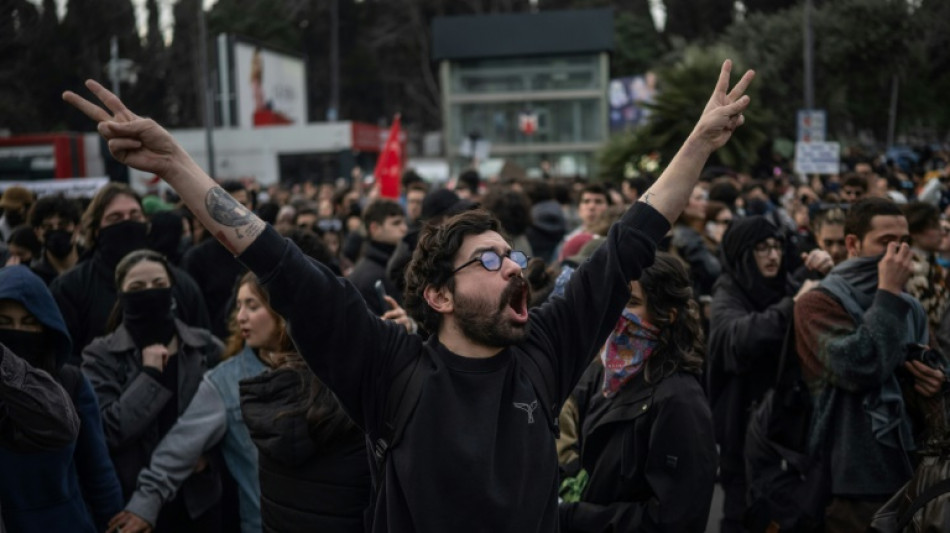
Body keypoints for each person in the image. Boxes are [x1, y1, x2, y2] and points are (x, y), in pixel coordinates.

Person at [64, 58, 754, 532]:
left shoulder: (543, 350)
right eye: (490, 259)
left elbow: (632, 237)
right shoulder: (389, 368)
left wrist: (698, 141)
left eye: (514, 255)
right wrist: (174, 163)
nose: (514, 268)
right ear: (440, 295)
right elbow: (275, 258)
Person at [794, 197, 945, 531]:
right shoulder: (817, 303)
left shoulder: (909, 305)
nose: (898, 253)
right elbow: (861, 366)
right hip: (854, 479)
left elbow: (937, 366)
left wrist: (935, 381)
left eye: (904, 242)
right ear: (853, 244)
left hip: (911, 468)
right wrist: (888, 292)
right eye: (886, 242)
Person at [557, 253, 716, 532]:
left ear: (667, 315)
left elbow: (675, 519)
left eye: (631, 303)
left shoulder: (679, 400)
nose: (617, 313)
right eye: (615, 299)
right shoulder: (612, 377)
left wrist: (577, 517)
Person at [81, 250, 224, 532]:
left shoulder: (206, 348)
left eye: (158, 284)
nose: (149, 292)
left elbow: (230, 420)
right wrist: (150, 376)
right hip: (130, 503)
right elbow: (106, 431)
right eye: (137, 287)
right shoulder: (100, 355)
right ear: (121, 295)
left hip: (197, 502)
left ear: (172, 289)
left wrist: (210, 459)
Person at [705, 215, 822, 532]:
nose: (773, 256)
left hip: (782, 434)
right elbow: (737, 337)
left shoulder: (781, 285)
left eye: (777, 247)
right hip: (741, 433)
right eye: (762, 248)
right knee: (743, 516)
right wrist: (792, 306)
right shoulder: (728, 293)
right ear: (743, 253)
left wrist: (821, 270)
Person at [238, 271, 371, 533]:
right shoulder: (357, 398)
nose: (241, 316)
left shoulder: (267, 396)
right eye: (239, 306)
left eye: (252, 306)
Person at [0, 265, 124, 533]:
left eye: (28, 323)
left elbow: (96, 470)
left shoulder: (70, 382)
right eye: (5, 322)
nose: (16, 331)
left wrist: (114, 521)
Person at [50, 183, 210, 363]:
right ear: (96, 230)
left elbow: (202, 346)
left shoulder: (180, 283)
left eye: (135, 216)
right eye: (115, 218)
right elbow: (63, 358)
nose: (127, 223)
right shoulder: (70, 287)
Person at [182, 180, 252, 339]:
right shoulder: (197, 258)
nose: (237, 211)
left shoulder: (264, 249)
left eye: (242, 204)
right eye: (229, 206)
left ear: (251, 206)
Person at [347, 199, 408, 316]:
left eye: (404, 222)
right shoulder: (368, 276)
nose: (404, 228)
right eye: (396, 223)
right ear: (374, 228)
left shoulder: (396, 264)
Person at [26, 193, 84, 285]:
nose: (56, 230)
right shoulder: (33, 279)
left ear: (77, 228)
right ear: (37, 233)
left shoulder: (93, 270)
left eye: (63, 225)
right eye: (48, 227)